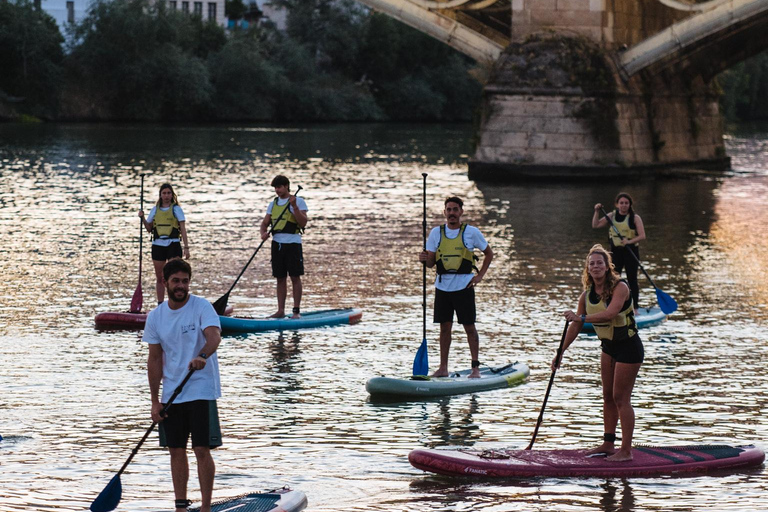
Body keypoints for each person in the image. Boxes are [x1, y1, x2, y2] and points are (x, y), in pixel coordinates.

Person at [144, 258, 222, 512]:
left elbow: (214, 337)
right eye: (176, 281)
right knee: (176, 450)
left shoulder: (202, 307)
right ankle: (180, 506)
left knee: (201, 449)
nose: (181, 286)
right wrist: (155, 401)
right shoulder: (156, 317)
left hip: (200, 388)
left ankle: (206, 508)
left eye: (185, 281)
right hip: (172, 394)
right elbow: (154, 359)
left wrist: (202, 356)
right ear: (164, 282)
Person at [554, 244, 643, 462]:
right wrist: (560, 352)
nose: (595, 266)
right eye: (591, 263)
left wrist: (581, 318)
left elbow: (611, 314)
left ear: (607, 267)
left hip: (629, 347)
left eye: (599, 263)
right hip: (608, 348)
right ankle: (608, 442)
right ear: (587, 268)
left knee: (621, 398)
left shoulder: (620, 287)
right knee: (607, 396)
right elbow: (575, 326)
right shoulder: (586, 296)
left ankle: (626, 451)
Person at [419, 196, 493, 379]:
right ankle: (443, 368)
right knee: (445, 328)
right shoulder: (436, 233)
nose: (452, 213)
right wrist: (423, 259)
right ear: (445, 212)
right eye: (449, 210)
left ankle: (475, 369)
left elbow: (489, 254)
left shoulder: (471, 232)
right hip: (443, 287)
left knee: (469, 327)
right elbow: (430, 264)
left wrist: (480, 276)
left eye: (455, 209)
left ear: (461, 212)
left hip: (464, 286)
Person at [260, 175, 308, 319]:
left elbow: (303, 223)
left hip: (293, 243)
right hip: (277, 244)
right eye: (275, 188)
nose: (277, 190)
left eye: (279, 187)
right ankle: (280, 310)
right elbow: (264, 223)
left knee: (294, 276)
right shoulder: (273, 204)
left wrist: (294, 206)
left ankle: (296, 311)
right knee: (280, 278)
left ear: (287, 186)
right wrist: (263, 233)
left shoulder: (299, 201)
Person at [592, 192, 645, 312]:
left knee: (632, 279)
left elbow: (642, 236)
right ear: (617, 204)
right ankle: (611, 306)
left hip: (631, 252)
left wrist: (629, 241)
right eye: (621, 203)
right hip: (615, 252)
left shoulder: (635, 218)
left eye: (626, 203)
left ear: (630, 204)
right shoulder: (611, 216)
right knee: (612, 280)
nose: (624, 205)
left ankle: (635, 308)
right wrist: (596, 211)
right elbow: (595, 225)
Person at [139, 183, 190, 304]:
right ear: (160, 195)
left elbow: (182, 229)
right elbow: (149, 228)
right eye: (164, 193)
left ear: (172, 195)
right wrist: (143, 218)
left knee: (175, 277)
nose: (166, 196)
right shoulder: (155, 210)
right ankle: (161, 304)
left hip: (173, 244)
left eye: (168, 193)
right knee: (160, 278)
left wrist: (186, 247)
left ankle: (175, 302)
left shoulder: (176, 209)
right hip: (158, 245)